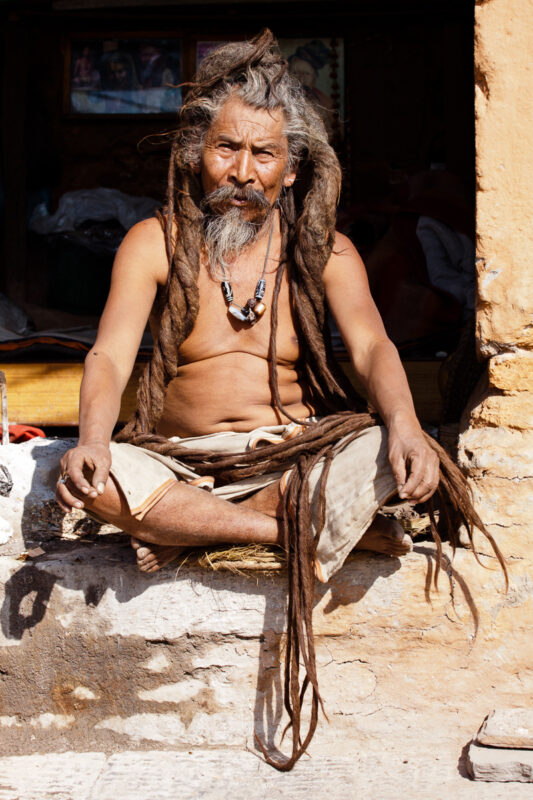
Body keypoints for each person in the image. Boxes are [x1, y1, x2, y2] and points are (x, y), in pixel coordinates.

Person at [55, 31, 504, 769]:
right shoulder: (153, 241)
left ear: (292, 170)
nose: (242, 171)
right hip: (184, 464)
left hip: (291, 457)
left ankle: (202, 528)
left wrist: (404, 427)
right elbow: (107, 354)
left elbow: (371, 350)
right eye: (226, 149)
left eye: (263, 155)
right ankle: (274, 531)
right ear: (196, 156)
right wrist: (96, 441)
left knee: (384, 459)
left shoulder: (324, 251)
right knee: (101, 485)